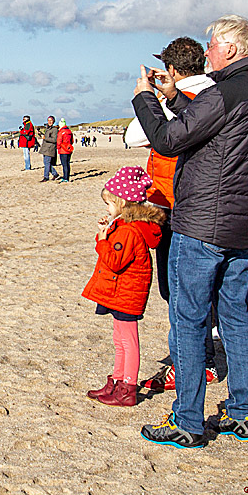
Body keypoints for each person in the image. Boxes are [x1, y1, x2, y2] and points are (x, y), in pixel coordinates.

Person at [134, 14, 248, 449]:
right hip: (241, 222)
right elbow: (212, 131)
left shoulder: (226, 91)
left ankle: (188, 420)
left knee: (190, 317)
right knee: (237, 316)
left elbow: (166, 141)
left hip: (203, 222)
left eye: (213, 45)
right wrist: (175, 96)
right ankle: (243, 413)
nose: (207, 52)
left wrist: (144, 99)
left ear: (233, 49)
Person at [124, 37, 217, 392]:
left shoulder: (185, 102)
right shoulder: (217, 95)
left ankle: (195, 363)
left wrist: (154, 97)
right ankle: (202, 358)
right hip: (207, 203)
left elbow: (136, 136)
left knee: (178, 292)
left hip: (174, 203)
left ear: (173, 69)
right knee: (209, 289)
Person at [83, 167, 165, 407]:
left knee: (128, 341)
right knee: (119, 339)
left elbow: (116, 261)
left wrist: (102, 241)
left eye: (109, 204)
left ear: (123, 203)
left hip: (126, 294)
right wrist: (108, 230)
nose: (106, 209)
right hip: (121, 293)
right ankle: (117, 380)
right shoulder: (127, 226)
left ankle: (128, 386)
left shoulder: (130, 230)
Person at [39, 116, 60, 182]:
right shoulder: (48, 128)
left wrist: (45, 138)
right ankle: (55, 174)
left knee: (47, 163)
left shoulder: (55, 129)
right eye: (48, 120)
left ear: (53, 121)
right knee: (46, 163)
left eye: (51, 120)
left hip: (50, 148)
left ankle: (46, 177)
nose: (49, 122)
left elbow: (54, 139)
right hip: (45, 148)